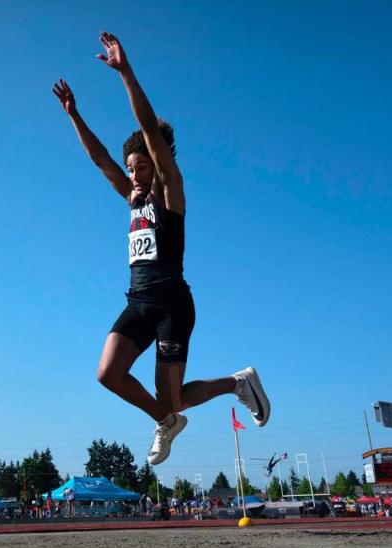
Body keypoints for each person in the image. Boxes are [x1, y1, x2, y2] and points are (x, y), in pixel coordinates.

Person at [52, 31, 271, 466]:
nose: (134, 173)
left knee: (172, 398)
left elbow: (150, 132)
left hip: (173, 304)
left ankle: (236, 383)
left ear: (160, 163)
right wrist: (74, 115)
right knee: (109, 375)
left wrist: (125, 73)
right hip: (139, 303)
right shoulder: (130, 198)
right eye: (131, 167)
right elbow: (100, 161)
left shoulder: (171, 194)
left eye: (141, 165)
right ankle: (166, 422)